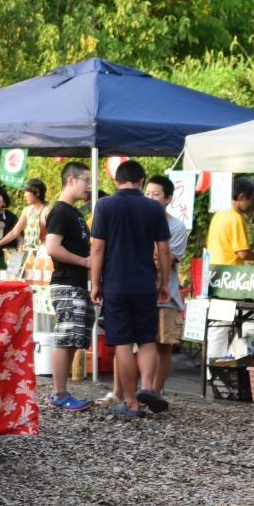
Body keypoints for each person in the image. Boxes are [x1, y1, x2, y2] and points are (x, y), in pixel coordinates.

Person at [89, 159, 175, 418]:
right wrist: (163, 283)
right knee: (147, 339)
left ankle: (131, 403)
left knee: (123, 343)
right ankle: (148, 388)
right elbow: (164, 249)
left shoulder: (104, 205)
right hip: (144, 284)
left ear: (116, 181)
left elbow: (97, 247)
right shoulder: (153, 208)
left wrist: (95, 283)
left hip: (116, 284)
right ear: (142, 181)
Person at [41, 162, 95, 412]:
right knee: (66, 337)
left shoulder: (75, 212)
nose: (89, 186)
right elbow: (52, 247)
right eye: (86, 180)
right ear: (71, 180)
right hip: (66, 284)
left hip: (76, 283)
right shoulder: (61, 212)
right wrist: (84, 261)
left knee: (74, 338)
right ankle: (58, 393)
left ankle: (61, 392)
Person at [204, 176, 254, 364]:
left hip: (215, 276)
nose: (253, 204)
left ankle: (214, 369)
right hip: (232, 280)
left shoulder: (220, 214)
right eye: (253, 199)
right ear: (242, 197)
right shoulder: (236, 218)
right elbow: (243, 253)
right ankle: (233, 359)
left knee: (218, 327)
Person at [144, 174, 190, 389]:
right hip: (142, 292)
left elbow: (167, 260)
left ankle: (156, 391)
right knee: (144, 345)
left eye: (156, 194)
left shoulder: (177, 227)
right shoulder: (138, 222)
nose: (151, 198)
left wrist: (152, 254)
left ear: (168, 198)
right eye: (147, 194)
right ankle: (141, 388)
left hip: (167, 295)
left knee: (164, 345)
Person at [0, 178, 49, 273]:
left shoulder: (47, 211)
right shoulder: (27, 210)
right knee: (16, 276)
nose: (24, 196)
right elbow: (15, 232)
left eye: (26, 192)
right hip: (27, 253)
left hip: (42, 254)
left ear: (37, 193)